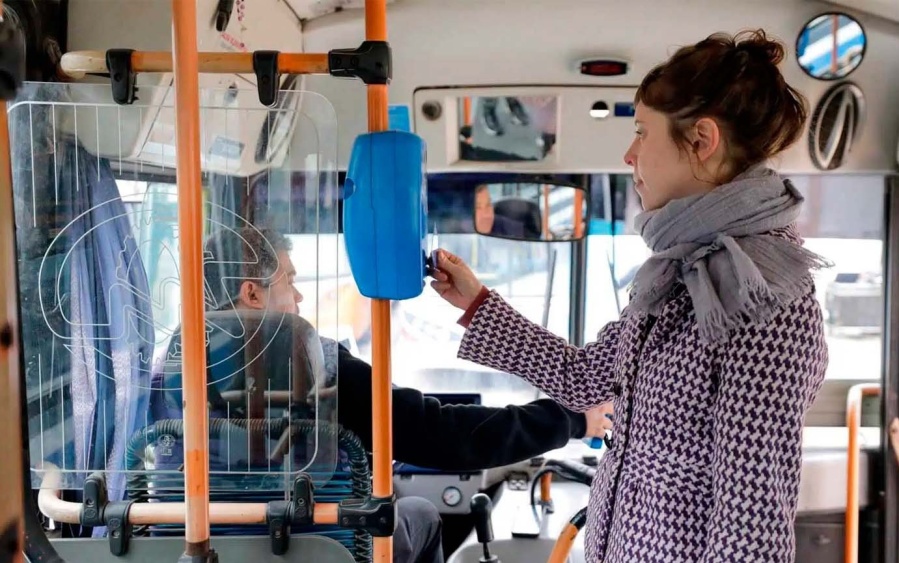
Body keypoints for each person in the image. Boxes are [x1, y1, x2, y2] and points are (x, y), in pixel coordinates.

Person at [429, 29, 830, 563]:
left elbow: (750, 524)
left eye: (643, 132)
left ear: (702, 141)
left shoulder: (768, 297)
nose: (629, 153)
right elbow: (585, 377)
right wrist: (477, 305)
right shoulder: (676, 273)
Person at [164, 225, 614, 563]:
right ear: (252, 293)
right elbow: (441, 435)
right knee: (419, 512)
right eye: (289, 281)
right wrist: (572, 420)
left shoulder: (172, 367)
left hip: (197, 545)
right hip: (317, 545)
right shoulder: (308, 363)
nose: (299, 297)